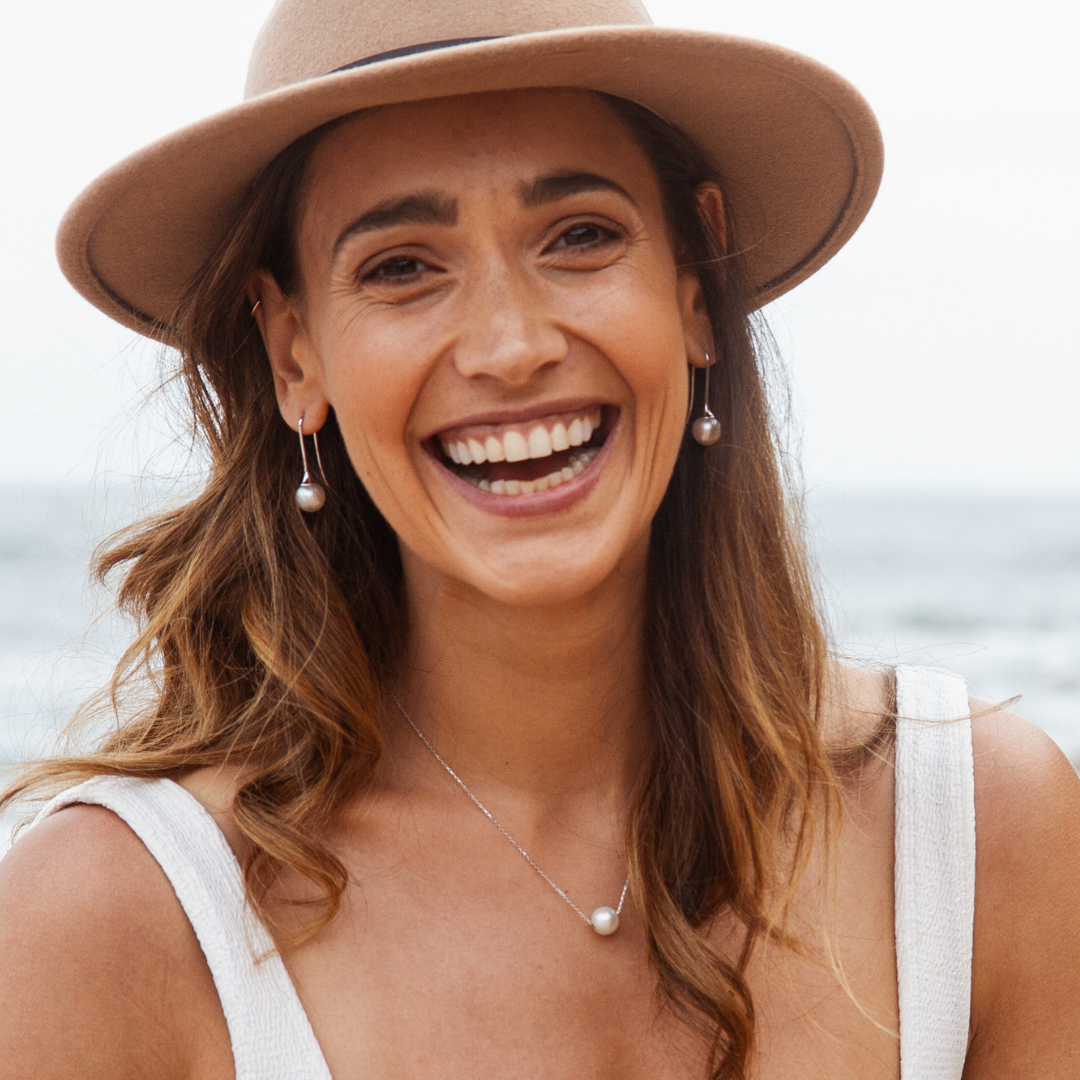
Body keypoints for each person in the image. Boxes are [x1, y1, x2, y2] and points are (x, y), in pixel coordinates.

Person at [2, 1, 1078, 1077]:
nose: (511, 347)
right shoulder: (111, 923)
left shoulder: (981, 838)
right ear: (293, 354)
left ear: (694, 289)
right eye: (402, 267)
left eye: (579, 238)